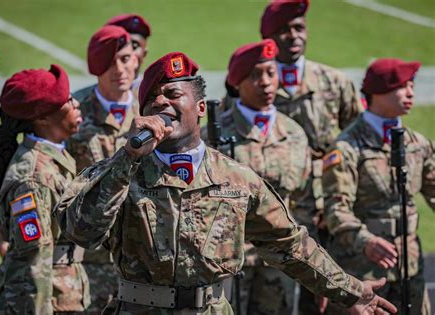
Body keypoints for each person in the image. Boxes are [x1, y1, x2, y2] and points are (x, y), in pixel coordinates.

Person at [55, 51, 397, 315]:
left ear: (200, 107)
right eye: (152, 100)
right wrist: (126, 158)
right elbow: (80, 231)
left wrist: (349, 291)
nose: (162, 103)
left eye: (173, 94)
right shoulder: (120, 169)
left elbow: (290, 246)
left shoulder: (237, 178)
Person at [260, 1, 365, 311]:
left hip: (327, 213)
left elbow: (356, 144)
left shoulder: (334, 82)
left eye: (299, 28)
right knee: (272, 300)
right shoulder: (254, 84)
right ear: (269, 37)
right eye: (283, 30)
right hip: (274, 214)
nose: (293, 36)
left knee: (328, 302)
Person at [204, 39, 311, 314]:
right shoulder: (213, 137)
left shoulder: (295, 134)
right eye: (255, 75)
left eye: (271, 73)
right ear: (237, 83)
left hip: (281, 259)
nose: (265, 82)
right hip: (229, 260)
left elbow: (307, 202)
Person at [322, 58, 434, 315]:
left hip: (410, 267)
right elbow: (335, 210)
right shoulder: (346, 148)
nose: (410, 92)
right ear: (377, 92)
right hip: (363, 272)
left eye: (411, 86)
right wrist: (366, 240)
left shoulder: (418, 144)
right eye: (402, 86)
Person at [0, 64, 90, 314]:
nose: (76, 104)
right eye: (67, 100)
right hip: (44, 300)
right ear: (42, 118)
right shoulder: (34, 179)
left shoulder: (55, 158)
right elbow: (33, 265)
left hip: (60, 295)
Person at [67, 25, 139, 314]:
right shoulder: (74, 112)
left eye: (125, 58)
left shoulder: (151, 109)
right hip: (89, 259)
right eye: (110, 62)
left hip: (141, 256)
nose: (120, 68)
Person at [73, 13, 151, 102]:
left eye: (134, 46)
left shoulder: (155, 100)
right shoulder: (76, 106)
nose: (119, 69)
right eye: (110, 60)